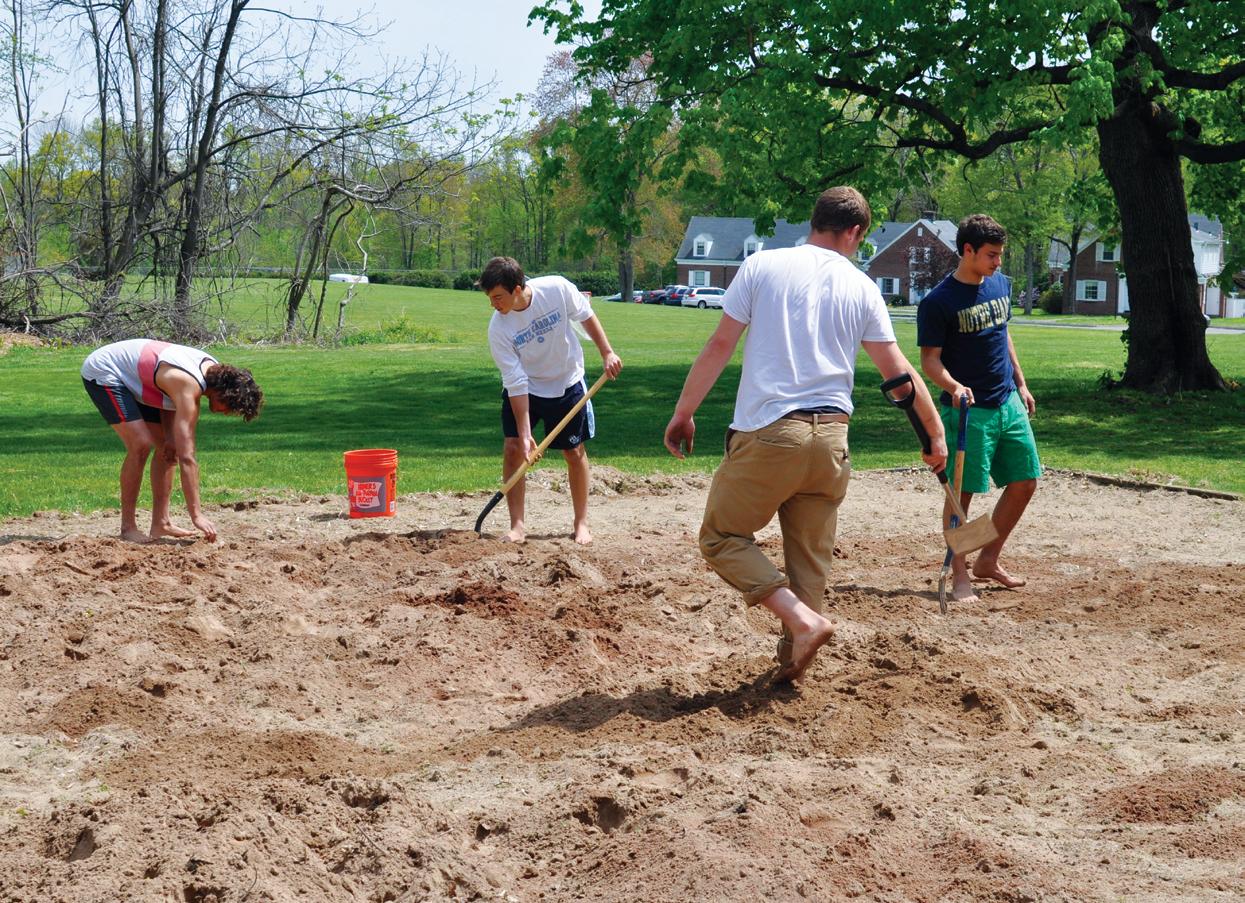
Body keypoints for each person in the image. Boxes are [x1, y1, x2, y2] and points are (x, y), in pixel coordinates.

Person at [663, 187, 947, 683]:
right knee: (809, 563)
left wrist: (684, 412)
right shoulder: (863, 286)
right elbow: (898, 373)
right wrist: (934, 435)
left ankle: (802, 622)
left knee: (721, 536)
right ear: (855, 232)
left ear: (814, 221)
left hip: (772, 433)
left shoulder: (762, 266)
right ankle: (792, 661)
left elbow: (720, 345)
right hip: (832, 441)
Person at [917, 214, 1041, 604]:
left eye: (1000, 254)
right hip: (970, 413)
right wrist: (954, 387)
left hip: (1007, 402)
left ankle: (988, 559)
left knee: (1025, 482)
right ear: (967, 250)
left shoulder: (1000, 284)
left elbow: (1003, 334)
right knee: (963, 496)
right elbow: (930, 360)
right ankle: (959, 574)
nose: (998, 262)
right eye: (991, 255)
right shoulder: (939, 302)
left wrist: (1020, 382)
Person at [479, 257, 623, 545]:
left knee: (573, 451)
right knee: (513, 448)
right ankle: (517, 526)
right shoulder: (498, 329)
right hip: (527, 388)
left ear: (517, 289)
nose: (493, 304)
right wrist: (524, 435)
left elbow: (585, 314)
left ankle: (581, 523)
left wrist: (607, 352)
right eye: (490, 298)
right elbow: (515, 381)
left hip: (567, 381)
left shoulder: (556, 289)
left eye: (498, 297)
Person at [81, 339, 263, 543]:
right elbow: (188, 458)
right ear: (223, 393)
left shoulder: (210, 373)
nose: (228, 412)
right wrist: (196, 515)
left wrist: (170, 436)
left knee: (169, 450)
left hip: (145, 379)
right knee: (141, 444)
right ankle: (128, 527)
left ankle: (161, 524)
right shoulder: (189, 385)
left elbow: (168, 396)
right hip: (106, 370)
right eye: (231, 406)